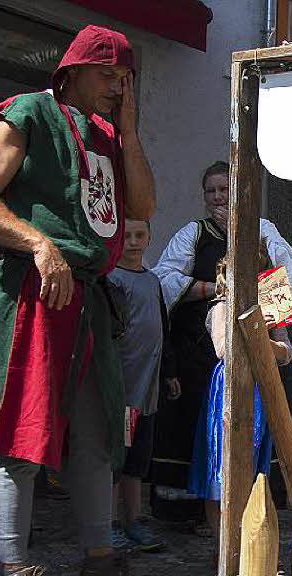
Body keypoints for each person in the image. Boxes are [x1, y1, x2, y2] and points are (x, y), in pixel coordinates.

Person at [0, 25, 173, 576]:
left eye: (126, 77)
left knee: (95, 437)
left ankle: (99, 567)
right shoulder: (31, 112)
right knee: (21, 435)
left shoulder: (111, 137)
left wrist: (132, 132)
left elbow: (141, 207)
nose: (118, 86)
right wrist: (38, 244)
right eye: (108, 74)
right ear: (74, 71)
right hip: (36, 293)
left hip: (88, 300)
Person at [151, 161, 292, 524]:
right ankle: (196, 517)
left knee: (253, 442)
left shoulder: (262, 230)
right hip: (201, 351)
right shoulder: (193, 234)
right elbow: (163, 278)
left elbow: (282, 273)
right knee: (201, 434)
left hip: (257, 356)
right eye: (211, 191)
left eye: (224, 189)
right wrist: (212, 289)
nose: (218, 197)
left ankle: (251, 519)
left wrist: (269, 324)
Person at [187, 258, 292, 561]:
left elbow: (287, 352)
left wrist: (269, 340)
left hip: (262, 386)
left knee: (254, 465)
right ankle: (225, 549)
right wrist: (252, 324)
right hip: (229, 388)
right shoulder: (221, 307)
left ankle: (248, 546)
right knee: (220, 466)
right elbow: (224, 349)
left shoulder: (274, 305)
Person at [109, 219, 178, 552]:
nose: (133, 243)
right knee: (115, 459)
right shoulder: (110, 281)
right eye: (126, 236)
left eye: (139, 236)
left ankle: (133, 520)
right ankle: (108, 523)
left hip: (147, 392)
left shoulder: (152, 282)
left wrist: (169, 373)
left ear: (149, 238)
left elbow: (162, 330)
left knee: (138, 459)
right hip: (122, 391)